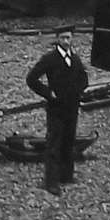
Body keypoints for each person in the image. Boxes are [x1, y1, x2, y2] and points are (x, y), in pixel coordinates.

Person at [26, 27, 89, 195]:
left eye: (68, 38)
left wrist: (77, 92)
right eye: (63, 38)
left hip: (72, 106)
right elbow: (31, 79)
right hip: (56, 108)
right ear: (57, 39)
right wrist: (48, 93)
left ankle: (66, 175)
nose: (66, 41)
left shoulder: (74, 58)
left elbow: (84, 78)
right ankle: (51, 181)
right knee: (54, 143)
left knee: (69, 140)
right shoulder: (50, 59)